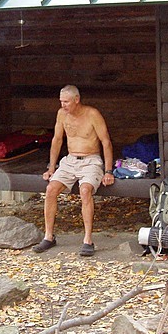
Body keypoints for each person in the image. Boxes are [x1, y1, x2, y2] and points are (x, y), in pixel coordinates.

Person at [33, 85, 114, 257]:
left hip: (91, 160)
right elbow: (57, 140)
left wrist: (108, 171)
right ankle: (48, 236)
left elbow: (106, 142)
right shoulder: (61, 114)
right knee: (50, 189)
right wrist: (51, 168)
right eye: (61, 101)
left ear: (76, 100)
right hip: (69, 160)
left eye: (66, 101)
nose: (63, 105)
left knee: (85, 190)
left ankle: (88, 240)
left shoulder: (92, 114)